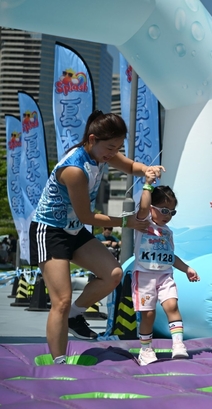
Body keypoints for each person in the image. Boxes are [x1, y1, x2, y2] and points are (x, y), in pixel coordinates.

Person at [29, 110, 163, 364]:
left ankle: (74, 316)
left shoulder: (102, 153)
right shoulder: (74, 169)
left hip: (73, 228)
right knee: (61, 301)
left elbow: (130, 166)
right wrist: (127, 222)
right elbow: (87, 216)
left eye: (118, 148)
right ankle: (59, 363)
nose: (113, 153)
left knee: (113, 274)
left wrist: (148, 170)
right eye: (110, 148)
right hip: (50, 231)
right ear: (92, 139)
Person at [132, 170, 200, 366]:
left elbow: (171, 256)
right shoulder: (143, 223)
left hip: (164, 275)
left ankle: (178, 344)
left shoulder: (167, 232)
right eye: (164, 210)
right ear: (152, 208)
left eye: (172, 212)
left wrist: (187, 268)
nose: (168, 215)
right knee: (148, 314)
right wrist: (147, 184)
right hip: (144, 275)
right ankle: (146, 349)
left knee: (172, 306)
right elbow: (143, 207)